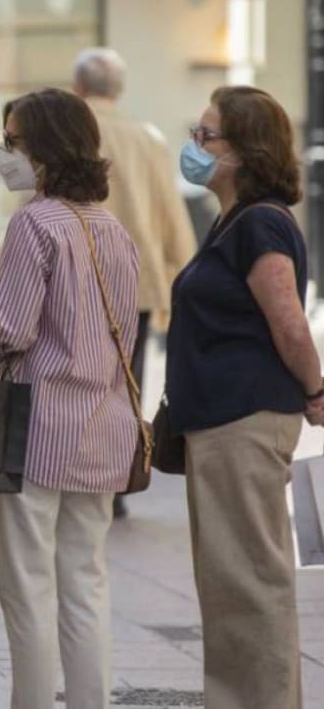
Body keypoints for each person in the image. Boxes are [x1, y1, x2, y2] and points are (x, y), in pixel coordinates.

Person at [0, 88, 139, 709]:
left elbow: (12, 331)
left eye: (14, 141)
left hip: (32, 428)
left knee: (28, 587)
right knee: (85, 584)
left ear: (48, 148)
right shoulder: (113, 230)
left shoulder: (34, 222)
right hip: (103, 426)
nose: (4, 154)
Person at [165, 85, 324, 709]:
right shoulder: (234, 221)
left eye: (207, 136)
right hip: (223, 421)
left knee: (248, 580)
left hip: (245, 420)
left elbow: (288, 322)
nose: (195, 146)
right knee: (230, 580)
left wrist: (316, 390)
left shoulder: (259, 223)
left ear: (245, 151)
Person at [71, 48, 197, 518]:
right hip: (137, 281)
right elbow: (170, 211)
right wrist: (180, 272)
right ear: (117, 90)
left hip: (81, 277)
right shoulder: (147, 137)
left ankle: (85, 473)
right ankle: (120, 478)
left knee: (81, 378)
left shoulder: (74, 133)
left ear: (79, 87)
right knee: (129, 382)